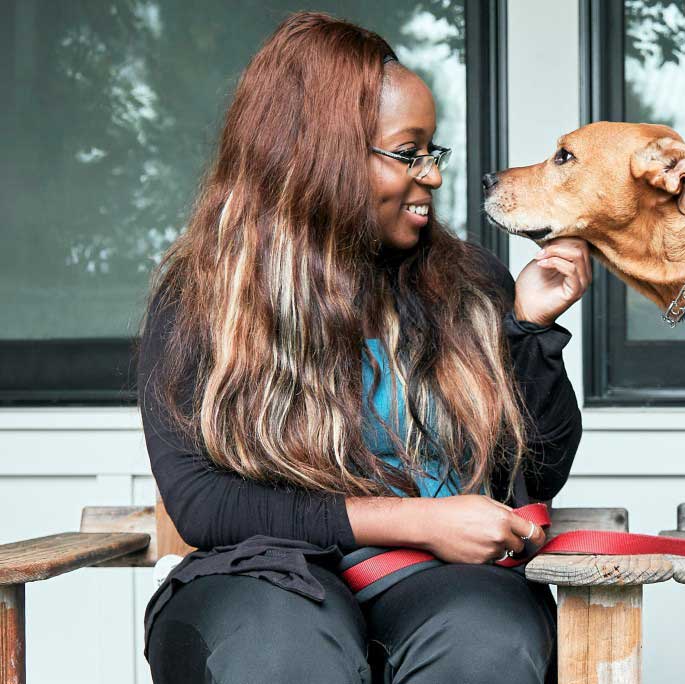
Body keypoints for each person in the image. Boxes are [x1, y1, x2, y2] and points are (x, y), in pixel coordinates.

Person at [136, 11, 588, 683]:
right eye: (410, 153)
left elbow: (539, 472)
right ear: (322, 155)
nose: (432, 176)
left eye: (433, 152)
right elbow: (201, 502)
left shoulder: (471, 284)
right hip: (267, 573)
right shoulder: (206, 295)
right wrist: (415, 519)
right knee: (278, 652)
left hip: (441, 583)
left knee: (488, 641)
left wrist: (530, 331)